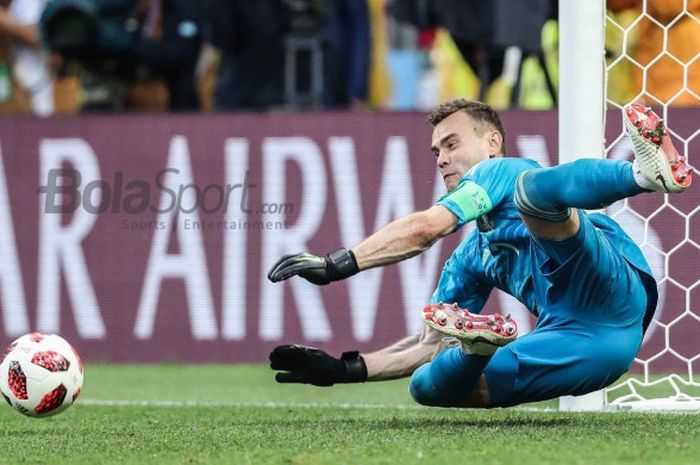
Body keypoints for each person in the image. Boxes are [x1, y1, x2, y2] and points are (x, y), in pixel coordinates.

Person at [266, 98, 693, 408]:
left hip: (608, 285)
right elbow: (428, 343)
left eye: (451, 144)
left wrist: (337, 264)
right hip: (596, 347)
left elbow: (426, 229)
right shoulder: (472, 257)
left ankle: (641, 173)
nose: (441, 159)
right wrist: (343, 371)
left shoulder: (499, 170)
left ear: (492, 142)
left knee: (533, 192)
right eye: (436, 151)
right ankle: (478, 348)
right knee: (427, 386)